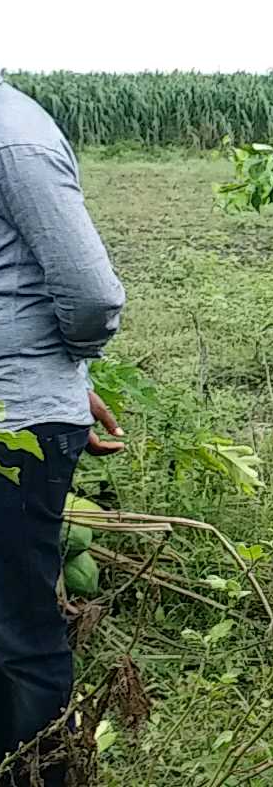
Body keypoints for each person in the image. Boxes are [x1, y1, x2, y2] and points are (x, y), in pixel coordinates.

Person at [0, 76, 127, 787]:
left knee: (20, 632)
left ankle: (44, 775)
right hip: (23, 404)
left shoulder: (13, 135)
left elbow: (90, 293)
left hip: (16, 423)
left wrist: (63, 379)